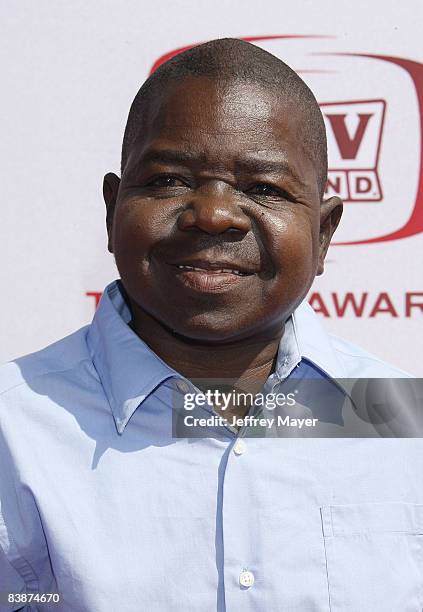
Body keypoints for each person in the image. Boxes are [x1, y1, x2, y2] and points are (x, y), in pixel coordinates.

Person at [0, 37, 421, 612]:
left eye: (264, 189)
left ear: (324, 234)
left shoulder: (400, 424)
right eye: (171, 180)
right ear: (112, 209)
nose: (214, 215)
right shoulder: (14, 431)